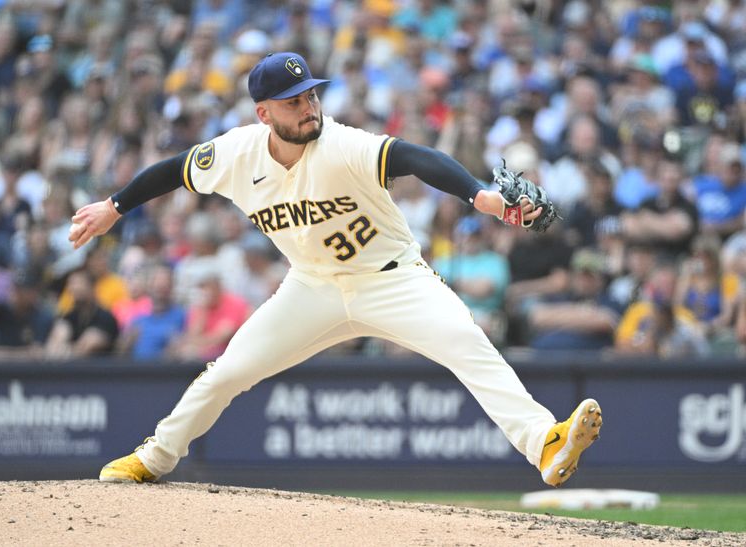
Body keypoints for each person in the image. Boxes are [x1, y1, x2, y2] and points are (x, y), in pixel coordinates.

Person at [69, 52, 602, 488]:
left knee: (470, 346)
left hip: (392, 278)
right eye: (294, 101)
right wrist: (113, 207)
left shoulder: (342, 144)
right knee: (228, 372)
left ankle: (543, 443)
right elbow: (172, 171)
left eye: (311, 95)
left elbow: (417, 158)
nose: (309, 107)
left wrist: (481, 197)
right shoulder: (234, 155)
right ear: (263, 115)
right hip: (312, 287)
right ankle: (155, 458)